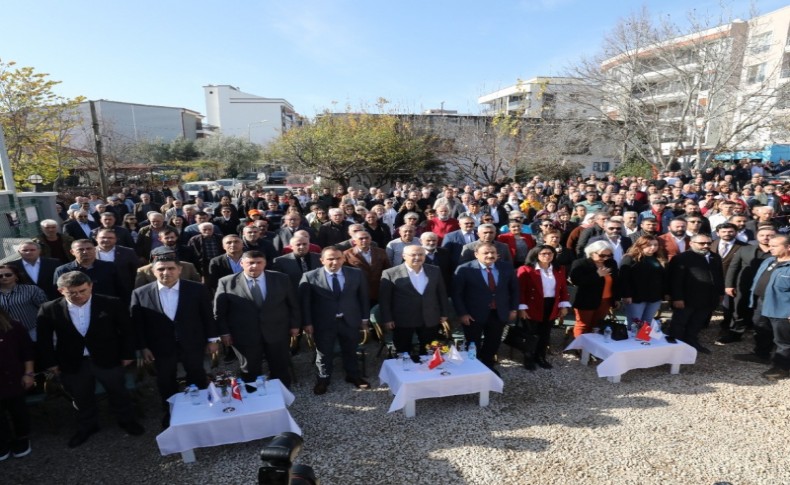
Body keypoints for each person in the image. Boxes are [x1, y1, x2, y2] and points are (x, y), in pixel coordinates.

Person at [36, 271, 143, 448]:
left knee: (118, 392)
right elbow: (44, 340)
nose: (78, 296)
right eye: (72, 293)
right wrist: (51, 363)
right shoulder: (49, 309)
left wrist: (127, 354)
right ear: (61, 290)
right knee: (81, 397)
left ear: (90, 286)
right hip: (73, 362)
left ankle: (127, 421)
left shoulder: (111, 303)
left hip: (108, 358)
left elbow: (127, 331)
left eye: (82, 291)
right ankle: (87, 426)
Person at [131, 257, 218, 428]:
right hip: (160, 346)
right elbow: (137, 324)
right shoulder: (140, 293)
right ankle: (171, 411)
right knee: (165, 379)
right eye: (161, 269)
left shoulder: (197, 289)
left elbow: (207, 316)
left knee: (197, 374)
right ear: (153, 272)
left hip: (192, 342)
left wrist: (212, 340)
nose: (166, 272)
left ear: (179, 269)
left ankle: (202, 409)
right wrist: (143, 347)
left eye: (171, 268)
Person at [215, 251, 300, 387]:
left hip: (276, 331)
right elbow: (219, 312)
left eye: (258, 262)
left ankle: (281, 393)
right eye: (250, 263)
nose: (254, 266)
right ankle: (253, 396)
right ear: (242, 263)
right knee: (250, 369)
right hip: (244, 334)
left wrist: (295, 325)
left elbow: (293, 304)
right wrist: (224, 333)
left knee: (280, 365)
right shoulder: (226, 282)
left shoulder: (281, 278)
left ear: (265, 263)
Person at [299, 247, 370, 394]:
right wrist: (307, 323)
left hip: (349, 320)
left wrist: (364, 319)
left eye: (338, 258)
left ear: (344, 259)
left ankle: (353, 375)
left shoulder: (356, 273)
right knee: (324, 353)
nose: (334, 262)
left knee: (350, 349)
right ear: (322, 260)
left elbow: (363, 297)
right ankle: (323, 379)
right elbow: (304, 303)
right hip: (323, 322)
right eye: (330, 259)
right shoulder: (309, 276)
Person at [452, 242, 519, 375]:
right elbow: (456, 294)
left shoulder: (506, 267)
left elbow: (515, 290)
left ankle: (488, 366)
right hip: (473, 314)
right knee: (473, 343)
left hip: (498, 312)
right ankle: (473, 368)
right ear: (476, 255)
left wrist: (513, 309)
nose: (490, 255)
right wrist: (463, 313)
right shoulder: (464, 269)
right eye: (486, 253)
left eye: (493, 253)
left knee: (493, 342)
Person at [379, 245, 450, 355]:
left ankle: (427, 370)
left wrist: (444, 313)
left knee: (429, 350)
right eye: (413, 255)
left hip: (429, 317)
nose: (417, 257)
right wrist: (388, 319)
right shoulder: (390, 273)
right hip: (403, 319)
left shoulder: (434, 270)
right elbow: (385, 299)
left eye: (421, 254)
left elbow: (441, 293)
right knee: (403, 351)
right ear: (404, 256)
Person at [667, 234, 724, 354]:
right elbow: (675, 280)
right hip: (687, 298)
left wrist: (720, 292)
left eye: (709, 243)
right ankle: (675, 348)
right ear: (692, 243)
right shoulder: (681, 258)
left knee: (697, 323)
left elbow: (719, 276)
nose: (706, 246)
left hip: (708, 298)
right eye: (702, 243)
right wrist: (677, 298)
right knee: (679, 323)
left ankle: (691, 342)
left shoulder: (715, 257)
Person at [517, 245, 571, 370]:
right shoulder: (526, 269)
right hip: (532, 305)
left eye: (550, 253)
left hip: (552, 305)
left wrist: (563, 305)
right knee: (531, 334)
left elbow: (563, 289)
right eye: (543, 253)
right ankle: (528, 358)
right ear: (536, 255)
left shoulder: (559, 269)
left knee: (545, 333)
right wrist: (522, 308)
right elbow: (520, 291)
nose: (547, 256)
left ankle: (540, 357)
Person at [724, 225, 776, 349]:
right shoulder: (745, 249)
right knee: (739, 310)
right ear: (757, 236)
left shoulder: (780, 252)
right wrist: (729, 285)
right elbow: (733, 267)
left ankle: (765, 339)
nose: (766, 238)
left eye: (769, 235)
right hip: (744, 286)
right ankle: (735, 334)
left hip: (767, 289)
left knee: (763, 314)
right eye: (762, 235)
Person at [748, 235, 790, 380]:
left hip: (782, 308)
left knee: (783, 340)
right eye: (770, 245)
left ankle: (782, 367)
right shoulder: (769, 260)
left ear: (788, 247)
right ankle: (761, 354)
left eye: (775, 246)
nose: (770, 248)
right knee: (762, 330)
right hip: (762, 302)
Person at [0, 308, 35, 460]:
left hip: (13, 378)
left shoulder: (13, 326)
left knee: (18, 410)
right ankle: (3, 440)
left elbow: (27, 352)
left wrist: (28, 373)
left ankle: (22, 438)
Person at [569, 240, 620, 337]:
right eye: (602, 255)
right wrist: (597, 275)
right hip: (587, 300)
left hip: (606, 300)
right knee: (583, 325)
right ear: (592, 252)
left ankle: (591, 348)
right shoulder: (581, 263)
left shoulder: (611, 263)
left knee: (597, 325)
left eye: (608, 255)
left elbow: (616, 282)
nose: (605, 258)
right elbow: (576, 281)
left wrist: (617, 298)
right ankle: (578, 348)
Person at [54, 239, 126, 301]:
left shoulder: (110, 266)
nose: (85, 252)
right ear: (72, 252)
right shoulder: (63, 270)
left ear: (95, 249)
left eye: (89, 249)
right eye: (81, 249)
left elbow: (122, 289)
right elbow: (58, 294)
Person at [619, 236, 667, 323]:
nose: (653, 247)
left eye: (655, 245)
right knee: (635, 322)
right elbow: (623, 278)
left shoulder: (659, 258)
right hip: (636, 296)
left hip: (654, 296)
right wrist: (626, 295)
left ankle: (642, 337)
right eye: (649, 245)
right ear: (640, 245)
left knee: (647, 323)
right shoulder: (630, 258)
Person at [0, 265, 48, 342]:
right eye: (0, 276)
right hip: (11, 335)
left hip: (35, 330)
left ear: (16, 276)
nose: (4, 277)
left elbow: (46, 309)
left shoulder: (31, 290)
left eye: (8, 275)